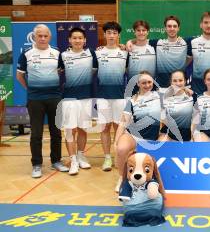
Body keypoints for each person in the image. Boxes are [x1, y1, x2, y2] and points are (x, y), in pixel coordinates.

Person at [16, 24, 69, 178]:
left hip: (54, 98)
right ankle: (37, 164)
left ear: (50, 37)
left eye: (46, 35)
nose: (43, 38)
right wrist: (30, 89)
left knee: (56, 132)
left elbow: (61, 71)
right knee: (36, 133)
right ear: (34, 36)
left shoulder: (57, 53)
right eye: (40, 35)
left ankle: (56, 161)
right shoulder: (27, 54)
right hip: (35, 100)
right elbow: (20, 76)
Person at [114, 71, 161, 192]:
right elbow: (123, 122)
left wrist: (188, 91)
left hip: (152, 137)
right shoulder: (132, 100)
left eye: (149, 82)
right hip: (134, 135)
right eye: (144, 82)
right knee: (121, 148)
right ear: (138, 84)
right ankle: (122, 178)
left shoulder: (160, 96)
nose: (147, 85)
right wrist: (116, 141)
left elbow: (178, 93)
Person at [58, 27, 97, 175]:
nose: (77, 40)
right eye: (74, 38)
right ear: (69, 40)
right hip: (69, 98)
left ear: (85, 40)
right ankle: (73, 160)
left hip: (86, 97)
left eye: (80, 38)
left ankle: (81, 155)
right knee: (70, 130)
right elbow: (57, 72)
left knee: (82, 129)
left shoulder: (91, 53)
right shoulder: (63, 56)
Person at [95, 21, 129, 171]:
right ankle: (107, 158)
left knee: (119, 128)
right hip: (103, 96)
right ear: (104, 35)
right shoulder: (98, 52)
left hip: (120, 96)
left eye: (114, 33)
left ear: (118, 35)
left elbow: (129, 71)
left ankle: (118, 156)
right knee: (104, 128)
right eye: (109, 32)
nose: (111, 35)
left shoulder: (125, 53)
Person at [159, 70, 195, 142]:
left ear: (185, 81)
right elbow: (163, 120)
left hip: (186, 136)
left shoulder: (192, 97)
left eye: (180, 80)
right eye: (174, 81)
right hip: (168, 134)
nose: (178, 83)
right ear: (171, 82)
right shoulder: (164, 98)